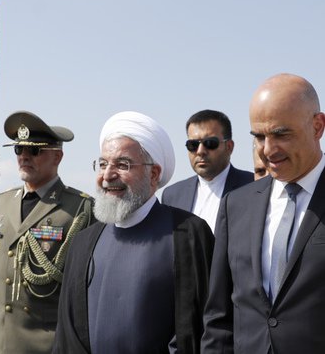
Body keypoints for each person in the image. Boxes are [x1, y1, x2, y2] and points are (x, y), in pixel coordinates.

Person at [52, 111, 214, 354]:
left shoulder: (188, 234)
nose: (107, 175)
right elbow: (67, 335)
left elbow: (203, 328)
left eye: (122, 164)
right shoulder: (83, 242)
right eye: (103, 164)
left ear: (154, 174)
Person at [202, 74, 325, 353]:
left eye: (281, 134)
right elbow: (219, 318)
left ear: (317, 126)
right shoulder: (236, 205)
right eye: (259, 137)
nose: (268, 150)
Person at [0, 111, 93, 354]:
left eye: (34, 151)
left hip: (48, 342)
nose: (24, 157)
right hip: (1, 339)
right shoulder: (2, 203)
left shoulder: (79, 209)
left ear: (57, 157)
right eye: (19, 150)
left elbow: (85, 286)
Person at [161, 109, 253, 231]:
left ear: (229, 147)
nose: (200, 151)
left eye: (210, 143)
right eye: (193, 145)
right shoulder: (172, 195)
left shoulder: (253, 187)